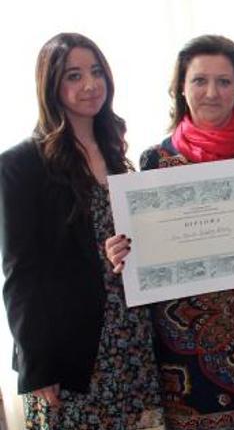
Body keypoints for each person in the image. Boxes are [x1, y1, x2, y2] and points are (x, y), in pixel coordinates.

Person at [106, 34, 234, 430]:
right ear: (181, 89)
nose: (211, 92)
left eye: (224, 81)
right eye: (199, 81)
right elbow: (143, 253)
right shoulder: (154, 162)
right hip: (186, 344)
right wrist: (123, 253)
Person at [0, 33, 163, 428]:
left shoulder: (115, 153)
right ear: (51, 85)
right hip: (72, 349)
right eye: (74, 75)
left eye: (96, 72)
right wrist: (38, 366)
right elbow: (20, 275)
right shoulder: (20, 165)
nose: (90, 85)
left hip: (130, 337)